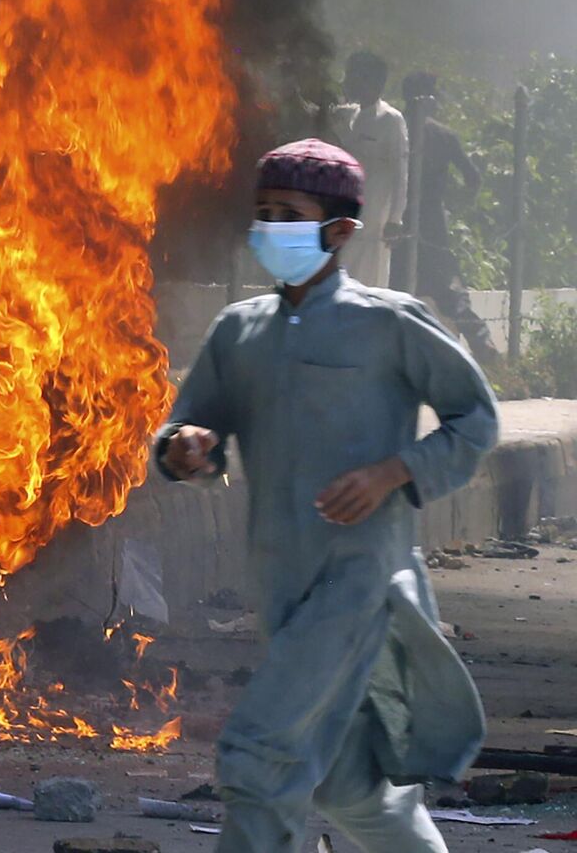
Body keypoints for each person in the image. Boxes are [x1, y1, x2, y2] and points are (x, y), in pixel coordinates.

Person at [156, 138, 498, 852]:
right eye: (264, 213)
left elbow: (476, 419)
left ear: (340, 232)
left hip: (361, 583)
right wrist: (187, 448)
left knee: (257, 758)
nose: (270, 227)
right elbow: (190, 431)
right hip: (281, 584)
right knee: (349, 787)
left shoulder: (389, 321)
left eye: (289, 213)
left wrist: (393, 471)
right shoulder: (238, 332)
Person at [400, 72, 499, 363]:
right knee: (448, 287)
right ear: (428, 99)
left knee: (395, 284)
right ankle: (481, 342)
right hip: (432, 218)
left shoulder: (395, 127)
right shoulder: (443, 135)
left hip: (398, 215)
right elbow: (473, 178)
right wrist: (453, 206)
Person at [333, 51, 408, 288]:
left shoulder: (390, 120)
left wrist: (395, 218)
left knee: (367, 288)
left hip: (373, 225)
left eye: (354, 76)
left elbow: (400, 173)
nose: (347, 82)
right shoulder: (345, 115)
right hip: (340, 219)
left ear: (372, 82)